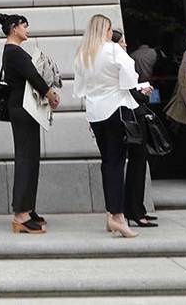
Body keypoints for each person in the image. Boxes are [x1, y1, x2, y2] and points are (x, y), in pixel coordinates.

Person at [73, 18, 148, 238]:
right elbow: (129, 79)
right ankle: (118, 217)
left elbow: (79, 89)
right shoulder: (114, 50)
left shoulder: (83, 54)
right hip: (116, 108)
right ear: (105, 30)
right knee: (116, 163)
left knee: (107, 163)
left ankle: (111, 214)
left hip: (95, 112)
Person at [0, 13, 59, 234]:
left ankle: (27, 208)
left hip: (23, 109)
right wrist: (50, 93)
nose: (27, 29)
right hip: (22, 110)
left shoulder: (12, 51)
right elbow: (33, 75)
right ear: (14, 28)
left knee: (30, 157)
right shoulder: (14, 51)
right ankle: (21, 215)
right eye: (24, 26)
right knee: (26, 158)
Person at [112, 30, 158, 229]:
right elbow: (130, 91)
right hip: (132, 116)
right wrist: (144, 92)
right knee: (138, 162)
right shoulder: (121, 61)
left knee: (134, 163)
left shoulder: (111, 62)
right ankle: (136, 211)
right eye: (122, 42)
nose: (125, 45)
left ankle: (134, 208)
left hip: (123, 115)